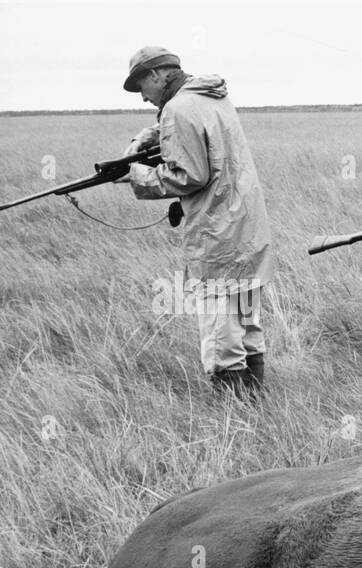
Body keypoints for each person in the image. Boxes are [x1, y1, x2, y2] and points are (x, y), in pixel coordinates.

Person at [122, 46, 273, 396]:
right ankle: (258, 405)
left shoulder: (178, 108)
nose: (142, 96)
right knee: (247, 322)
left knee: (220, 333)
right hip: (247, 228)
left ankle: (234, 415)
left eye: (141, 86)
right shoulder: (211, 97)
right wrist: (152, 134)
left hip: (217, 234)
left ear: (156, 75)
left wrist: (137, 175)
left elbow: (190, 175)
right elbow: (195, 134)